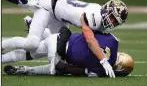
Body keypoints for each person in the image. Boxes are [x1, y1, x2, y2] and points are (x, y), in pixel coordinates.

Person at [14, 0, 128, 77]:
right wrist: (103, 60)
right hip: (51, 7)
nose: (112, 22)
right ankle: (30, 26)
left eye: (116, 22)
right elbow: (90, 40)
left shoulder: (99, 18)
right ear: (107, 8)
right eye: (112, 18)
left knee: (56, 47)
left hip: (60, 15)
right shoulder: (96, 17)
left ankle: (29, 70)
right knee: (32, 44)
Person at [3, 27, 134, 77]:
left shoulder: (113, 40)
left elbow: (92, 30)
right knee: (56, 69)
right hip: (57, 51)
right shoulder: (100, 71)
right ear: (119, 69)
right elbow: (78, 71)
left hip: (57, 38)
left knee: (30, 49)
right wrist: (63, 66)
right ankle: (27, 70)